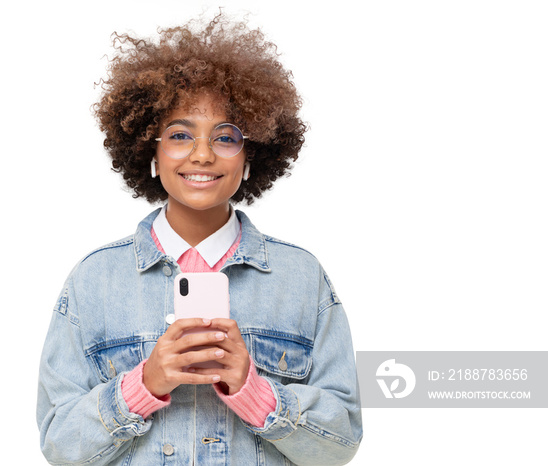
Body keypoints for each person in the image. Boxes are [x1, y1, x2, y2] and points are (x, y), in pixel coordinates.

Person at [37, 13, 362, 465]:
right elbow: (59, 445)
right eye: (180, 134)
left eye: (226, 136)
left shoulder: (301, 279)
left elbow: (340, 443)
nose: (203, 153)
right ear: (150, 152)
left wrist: (256, 391)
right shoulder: (95, 280)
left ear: (252, 156)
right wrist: (143, 385)